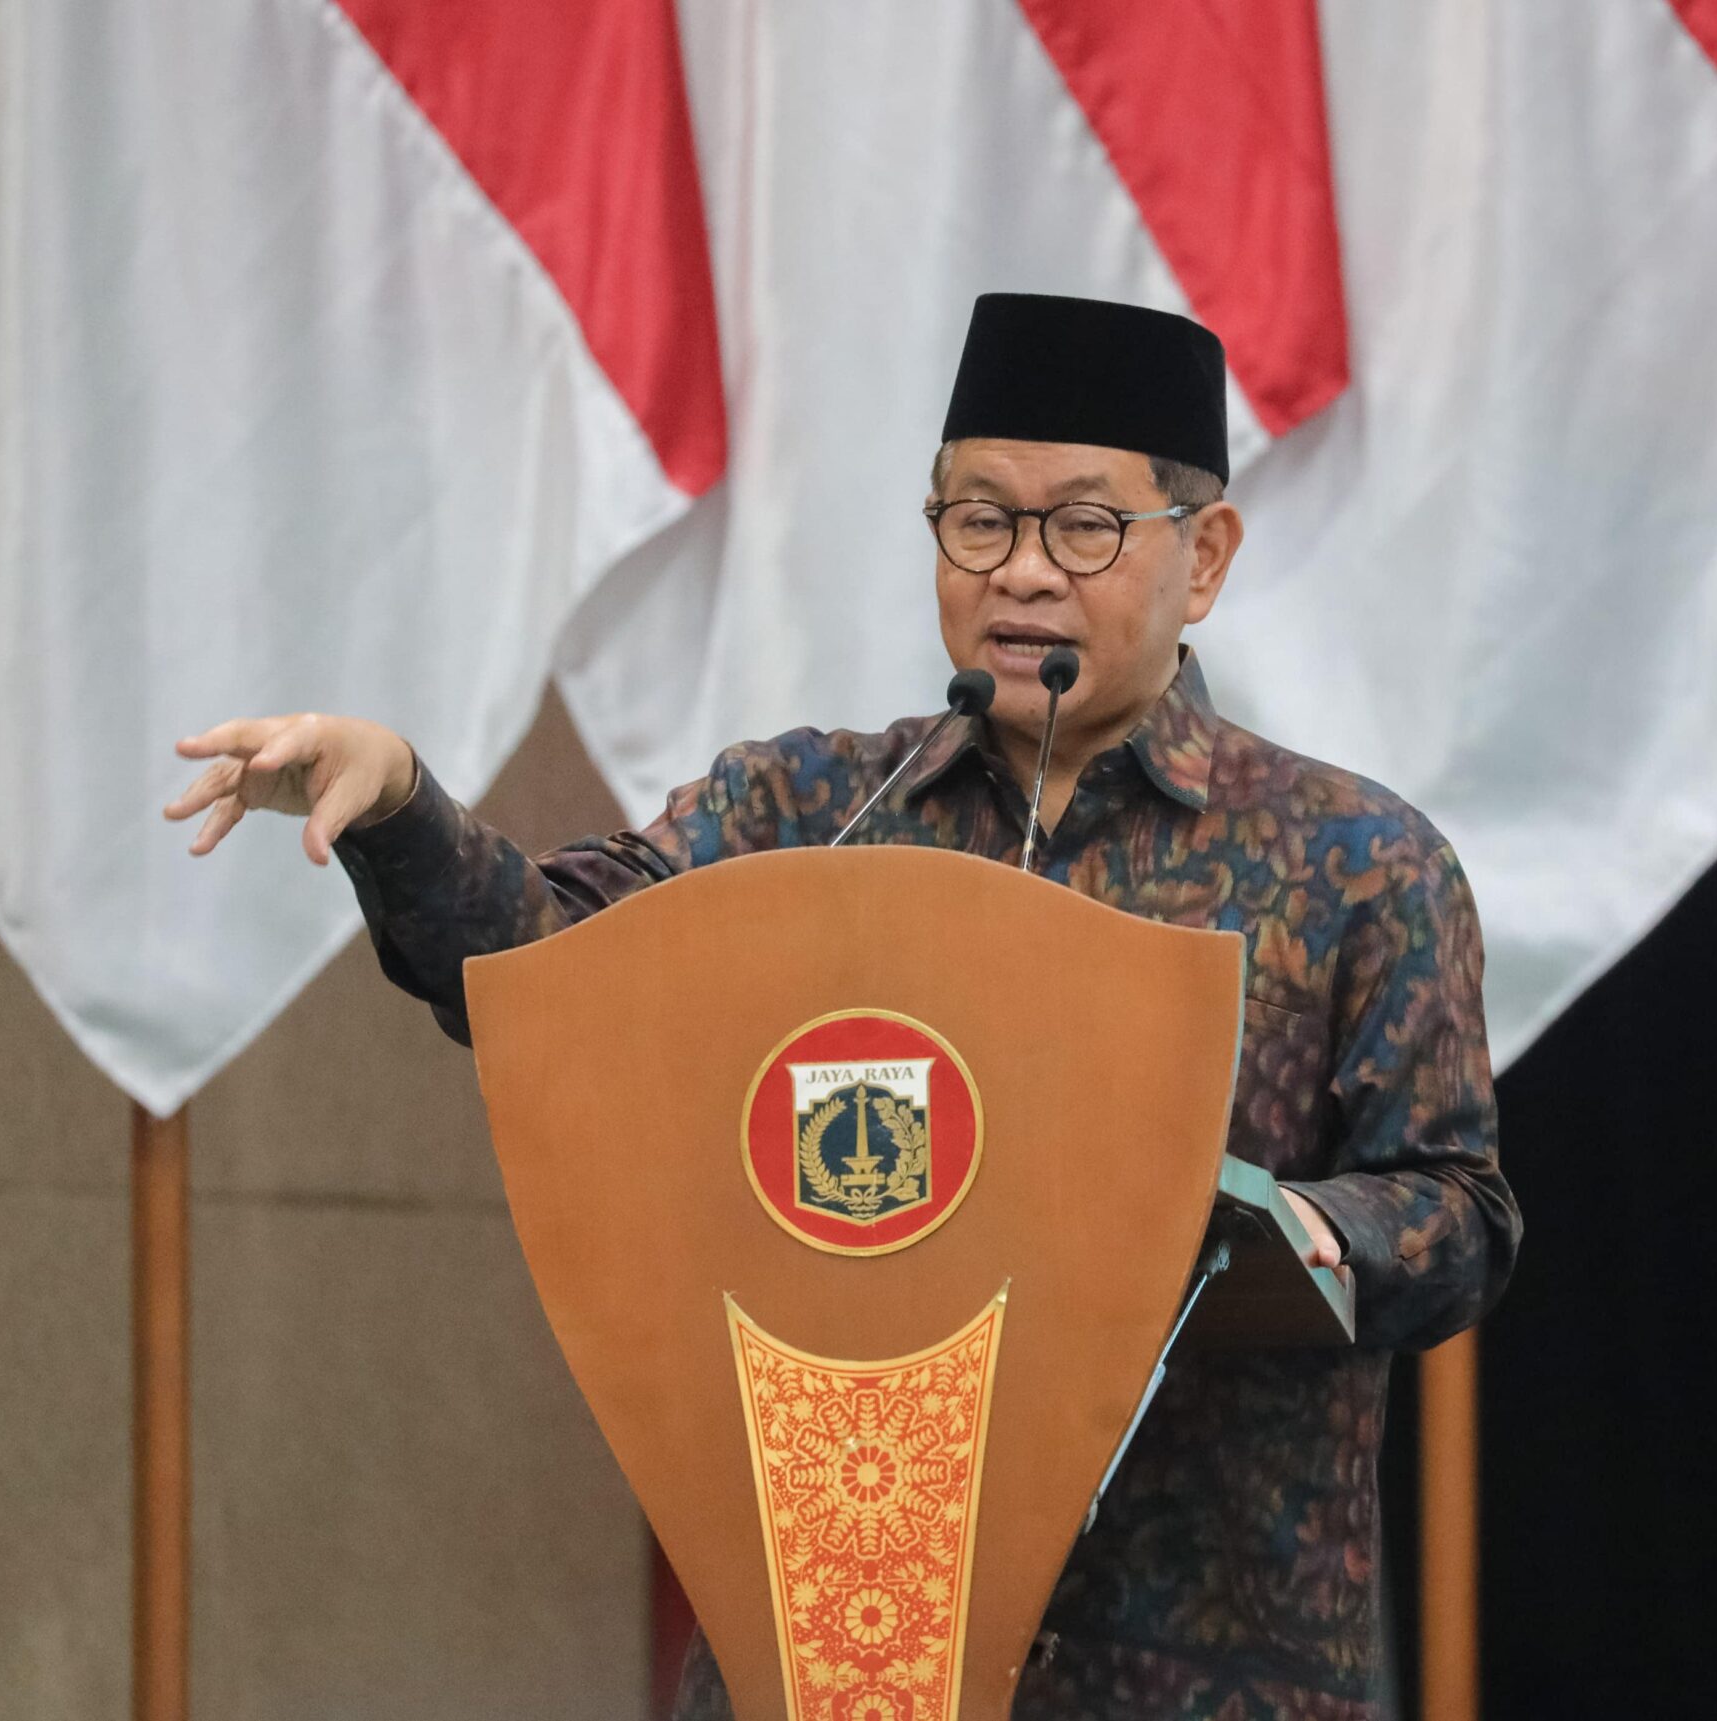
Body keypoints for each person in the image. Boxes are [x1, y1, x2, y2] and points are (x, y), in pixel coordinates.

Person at [166, 292, 1521, 1720]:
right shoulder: (810, 811)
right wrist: (399, 805)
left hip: (1193, 1667)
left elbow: (1461, 1213)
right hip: (825, 1651)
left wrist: (1290, 1226)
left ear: (1208, 558)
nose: (1024, 572)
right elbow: (552, 975)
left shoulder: (1354, 862)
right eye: (979, 521)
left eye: (1083, 527)